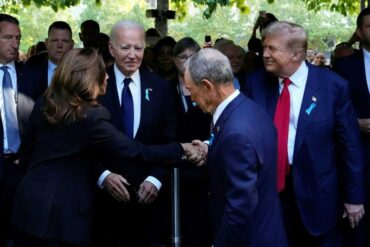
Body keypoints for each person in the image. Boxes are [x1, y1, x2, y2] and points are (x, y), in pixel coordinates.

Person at [11, 47, 203, 247]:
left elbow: (26, 152)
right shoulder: (93, 116)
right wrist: (182, 148)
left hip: (28, 205)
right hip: (65, 215)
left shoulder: (45, 102)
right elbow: (134, 151)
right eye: (103, 72)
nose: (108, 78)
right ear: (89, 78)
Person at [244, 21, 365, 247]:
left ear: (296, 54)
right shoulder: (255, 82)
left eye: (273, 49)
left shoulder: (333, 87)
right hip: (269, 196)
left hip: (320, 197)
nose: (265, 54)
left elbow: (350, 145)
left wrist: (354, 198)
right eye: (265, 47)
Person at [185, 48, 287, 247]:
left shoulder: (236, 132)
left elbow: (240, 207)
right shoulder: (251, 110)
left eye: (192, 90)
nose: (192, 99)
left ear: (207, 86)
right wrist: (211, 149)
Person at [94, 20, 178, 247]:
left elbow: (170, 140)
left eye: (138, 48)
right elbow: (83, 141)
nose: (132, 55)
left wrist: (155, 179)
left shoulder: (161, 88)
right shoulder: (94, 85)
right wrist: (103, 176)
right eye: (125, 48)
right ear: (111, 48)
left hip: (149, 203)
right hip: (104, 206)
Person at [0, 13, 44, 247]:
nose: (15, 43)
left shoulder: (32, 76)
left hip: (22, 167)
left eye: (18, 37)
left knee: (21, 233)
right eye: (8, 37)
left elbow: (41, 122)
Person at [167, 37, 212, 247]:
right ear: (174, 60)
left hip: (202, 163)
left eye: (192, 56)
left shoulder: (208, 88)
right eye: (182, 56)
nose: (186, 61)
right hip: (173, 165)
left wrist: (202, 147)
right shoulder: (164, 88)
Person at [332, 7, 370, 247]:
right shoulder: (345, 68)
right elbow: (332, 112)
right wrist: (355, 123)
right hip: (359, 161)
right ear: (359, 32)